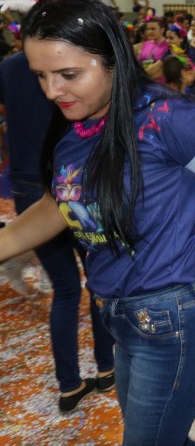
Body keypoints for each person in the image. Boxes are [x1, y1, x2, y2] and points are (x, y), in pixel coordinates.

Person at [5, 0, 195, 444]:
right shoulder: (77, 131)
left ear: (112, 60)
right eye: (41, 75)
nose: (52, 91)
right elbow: (58, 207)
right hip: (120, 319)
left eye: (68, 75)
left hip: (173, 321)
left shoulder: (165, 117)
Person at [0, 52, 116, 413]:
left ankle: (69, 384)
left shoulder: (8, 68)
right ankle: (107, 367)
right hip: (72, 180)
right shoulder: (70, 61)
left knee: (66, 289)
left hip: (29, 184)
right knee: (97, 282)